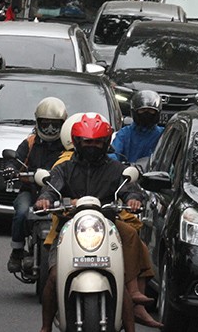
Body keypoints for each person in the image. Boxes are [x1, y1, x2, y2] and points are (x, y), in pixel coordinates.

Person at [36, 113, 161, 332]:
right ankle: (45, 327)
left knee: (118, 275)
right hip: (69, 227)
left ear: (105, 143)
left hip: (108, 226)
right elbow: (50, 188)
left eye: (97, 142)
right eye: (87, 141)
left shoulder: (115, 169)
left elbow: (129, 188)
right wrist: (45, 199)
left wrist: (133, 199)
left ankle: (131, 318)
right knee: (54, 276)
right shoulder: (64, 169)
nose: (92, 146)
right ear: (77, 142)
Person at [3, 97, 67, 273]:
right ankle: (16, 251)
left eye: (55, 125)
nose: (50, 129)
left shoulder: (68, 144)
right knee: (22, 211)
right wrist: (10, 169)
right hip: (30, 191)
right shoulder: (30, 142)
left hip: (58, 193)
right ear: (38, 122)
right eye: (45, 124)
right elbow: (15, 159)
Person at [111, 90, 165, 163]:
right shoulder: (124, 134)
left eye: (150, 110)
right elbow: (113, 154)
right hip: (127, 172)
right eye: (142, 110)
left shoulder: (162, 135)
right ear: (134, 112)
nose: (146, 114)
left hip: (154, 173)